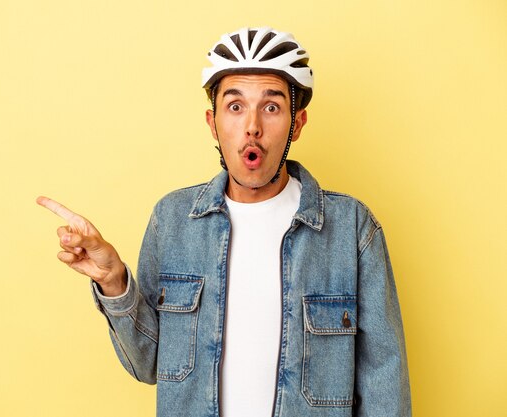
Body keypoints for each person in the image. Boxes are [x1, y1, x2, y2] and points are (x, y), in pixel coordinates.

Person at [37, 27, 411, 417]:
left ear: (297, 124)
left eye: (271, 107)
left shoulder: (351, 228)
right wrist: (113, 282)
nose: (252, 126)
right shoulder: (173, 220)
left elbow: (385, 381)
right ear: (213, 123)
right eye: (235, 106)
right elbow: (149, 365)